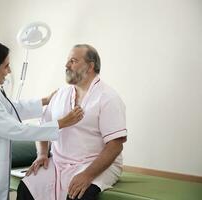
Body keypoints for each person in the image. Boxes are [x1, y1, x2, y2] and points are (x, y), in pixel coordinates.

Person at [0, 41, 84, 200]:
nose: (9, 71)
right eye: (6, 66)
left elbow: (11, 109)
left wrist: (45, 100)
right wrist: (62, 123)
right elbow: (17, 130)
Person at [17, 44, 127, 200]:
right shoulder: (60, 94)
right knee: (27, 188)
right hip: (58, 163)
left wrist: (87, 175)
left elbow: (115, 145)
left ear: (90, 66)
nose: (67, 65)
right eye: (68, 61)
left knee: (78, 194)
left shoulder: (108, 97)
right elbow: (43, 128)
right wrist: (42, 154)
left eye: (73, 61)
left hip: (94, 164)